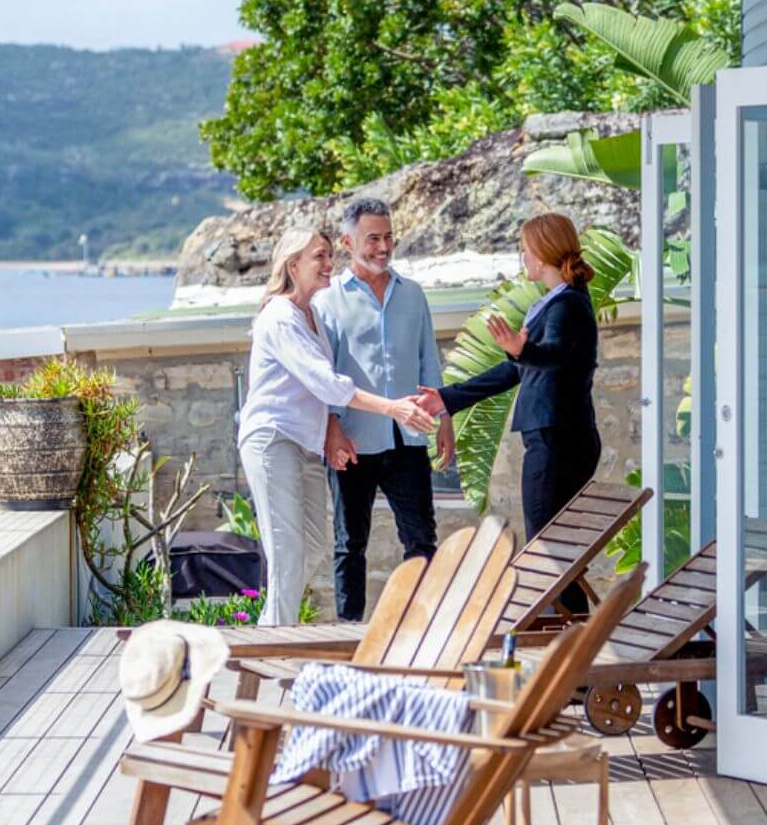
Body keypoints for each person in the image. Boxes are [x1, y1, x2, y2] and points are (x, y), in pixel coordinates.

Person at [238, 229, 436, 626]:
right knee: (287, 551)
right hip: (272, 440)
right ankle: (274, 648)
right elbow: (327, 382)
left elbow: (323, 390)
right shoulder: (279, 317)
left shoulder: (311, 315)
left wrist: (332, 430)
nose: (330, 264)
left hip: (304, 443)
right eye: (320, 257)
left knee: (311, 545)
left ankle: (267, 633)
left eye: (330, 255)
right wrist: (393, 408)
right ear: (293, 265)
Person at [413, 213, 600, 613]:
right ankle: (567, 649)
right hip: (551, 439)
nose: (523, 257)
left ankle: (571, 654)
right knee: (550, 548)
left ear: (544, 252)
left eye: (526, 249)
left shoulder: (568, 305)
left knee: (549, 550)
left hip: (559, 441)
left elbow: (556, 358)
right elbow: (515, 369)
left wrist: (524, 350)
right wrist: (448, 398)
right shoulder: (554, 304)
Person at [313, 198, 454, 622]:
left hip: (409, 439)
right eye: (373, 237)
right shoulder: (327, 302)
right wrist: (332, 429)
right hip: (354, 439)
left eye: (388, 236)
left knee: (422, 541)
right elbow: (324, 375)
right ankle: (349, 635)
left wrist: (445, 420)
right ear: (348, 242)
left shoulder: (412, 295)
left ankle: (422, 629)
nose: (383, 246)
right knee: (350, 544)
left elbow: (429, 359)